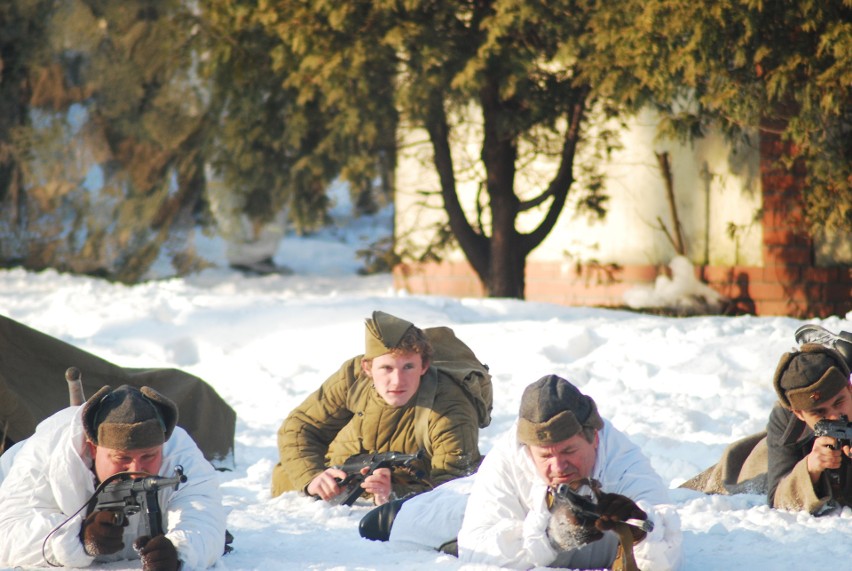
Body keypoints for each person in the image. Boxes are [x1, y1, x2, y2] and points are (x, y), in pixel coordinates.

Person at [377, 375, 682, 570]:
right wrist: (550, 539)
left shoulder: (623, 460)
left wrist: (642, 533)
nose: (559, 467)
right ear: (527, 450)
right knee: (393, 524)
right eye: (546, 456)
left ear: (595, 438)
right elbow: (476, 551)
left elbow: (668, 542)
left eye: (569, 451)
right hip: (474, 509)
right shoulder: (507, 459)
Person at [0, 384, 228, 569]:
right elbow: (6, 535)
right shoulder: (46, 453)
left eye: (149, 456)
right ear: (93, 449)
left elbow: (204, 515)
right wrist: (79, 538)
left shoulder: (180, 453)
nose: (136, 468)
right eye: (122, 458)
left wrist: (177, 554)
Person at [271, 310, 485, 506]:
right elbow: (298, 427)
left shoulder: (450, 409)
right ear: (368, 367)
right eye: (387, 368)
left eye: (408, 367)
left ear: (424, 366)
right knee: (286, 475)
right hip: (341, 470)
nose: (397, 381)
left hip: (417, 485)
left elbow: (453, 490)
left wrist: (394, 492)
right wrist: (312, 476)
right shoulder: (353, 378)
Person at [680, 337, 852, 515]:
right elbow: (778, 500)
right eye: (819, 413)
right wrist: (811, 468)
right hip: (753, 467)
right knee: (718, 483)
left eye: (839, 402)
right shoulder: (787, 423)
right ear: (798, 413)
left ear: (849, 388)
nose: (833, 416)